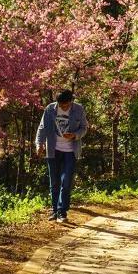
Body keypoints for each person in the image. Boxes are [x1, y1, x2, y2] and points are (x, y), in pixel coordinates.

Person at [35, 88, 88, 222]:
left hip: (71, 150)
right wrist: (39, 144)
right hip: (53, 150)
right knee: (55, 182)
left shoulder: (78, 109)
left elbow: (84, 128)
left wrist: (75, 135)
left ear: (71, 101)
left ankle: (62, 211)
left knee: (66, 182)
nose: (63, 107)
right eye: (61, 104)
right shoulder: (50, 109)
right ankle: (54, 210)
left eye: (66, 104)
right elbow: (42, 128)